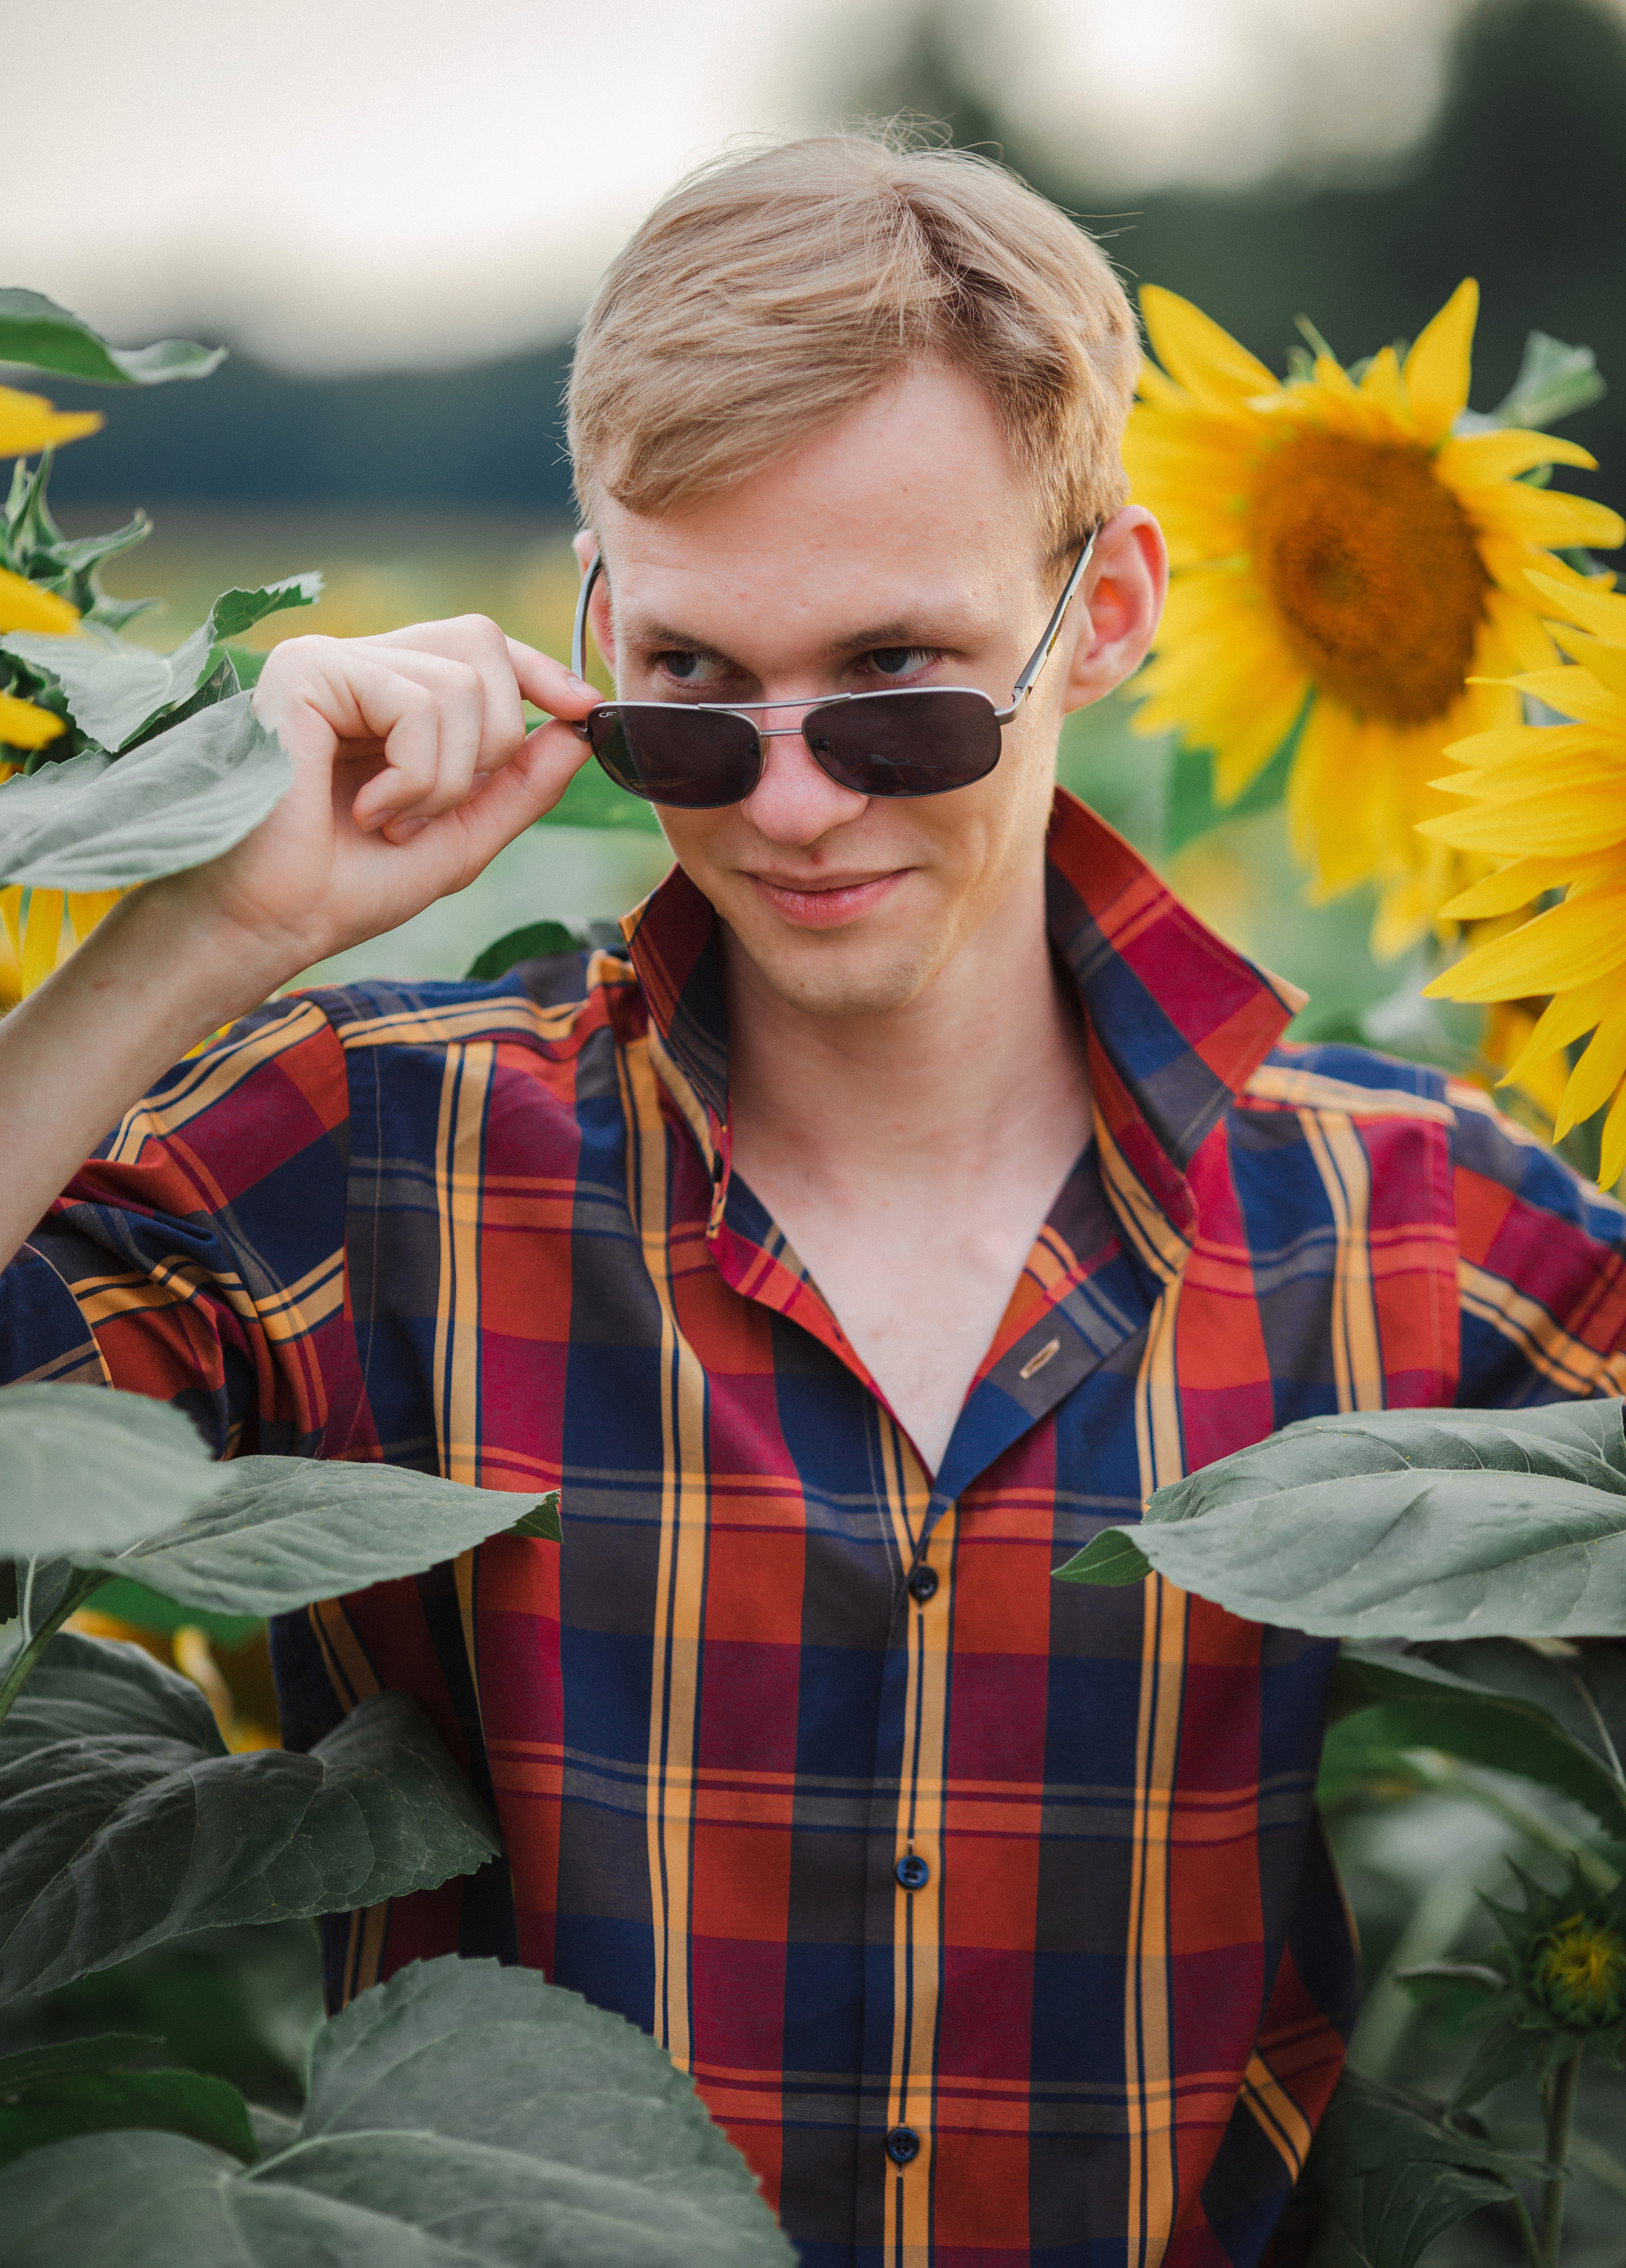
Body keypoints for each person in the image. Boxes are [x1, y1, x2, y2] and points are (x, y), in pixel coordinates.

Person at [2, 135, 1623, 2268]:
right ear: (597, 623)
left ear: (1105, 614)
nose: (787, 802)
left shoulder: (1412, 1225)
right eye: (691, 689)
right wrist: (193, 940)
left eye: (897, 688)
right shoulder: (370, 1160)